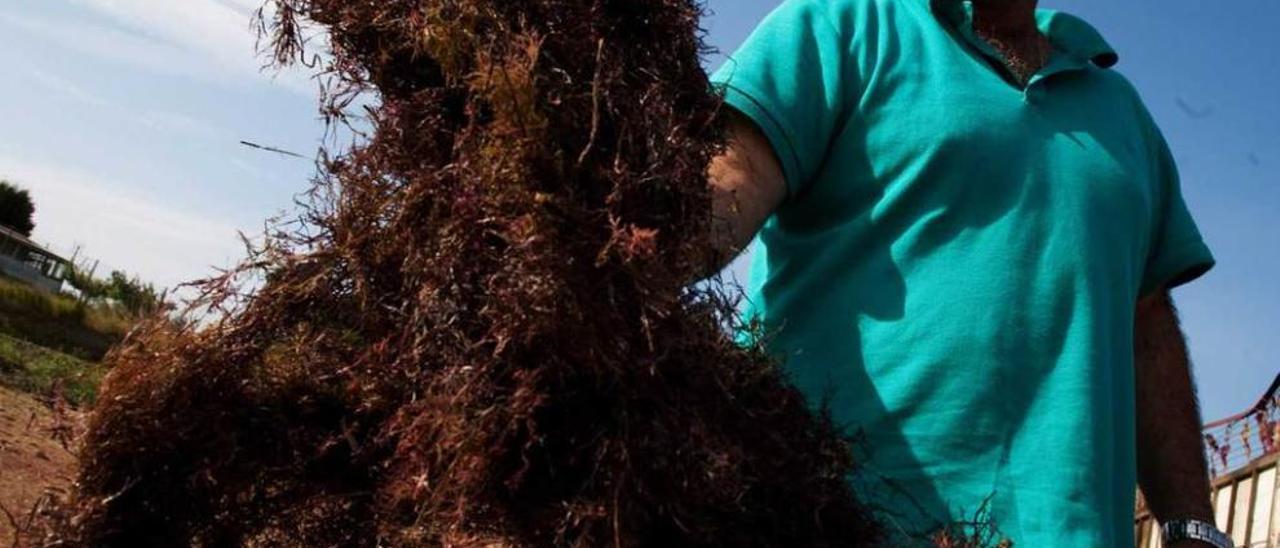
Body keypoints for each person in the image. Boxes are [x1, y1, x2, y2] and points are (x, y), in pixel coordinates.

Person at [706, 0, 1221, 545]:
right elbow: (714, 194)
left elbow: (1147, 326)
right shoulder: (841, 25)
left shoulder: (1122, 111)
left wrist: (1193, 527)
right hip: (819, 514)